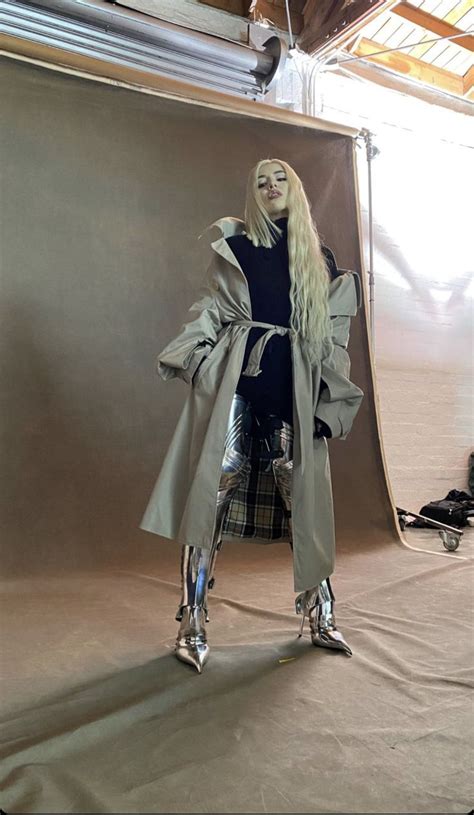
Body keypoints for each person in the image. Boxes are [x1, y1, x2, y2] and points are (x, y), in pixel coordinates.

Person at [140, 158, 364, 673]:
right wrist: (195, 358)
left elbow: (333, 338)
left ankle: (320, 612)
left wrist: (330, 403)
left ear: (296, 189)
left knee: (300, 491)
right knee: (212, 492)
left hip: (295, 384)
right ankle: (191, 617)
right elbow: (212, 310)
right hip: (239, 383)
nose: (270, 186)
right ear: (253, 193)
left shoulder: (318, 257)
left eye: (279, 178)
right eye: (261, 181)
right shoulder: (236, 247)